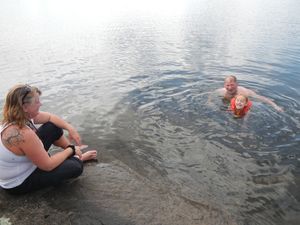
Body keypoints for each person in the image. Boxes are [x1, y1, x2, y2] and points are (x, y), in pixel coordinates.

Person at [0, 84, 97, 194]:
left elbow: (50, 117)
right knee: (75, 167)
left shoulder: (16, 118)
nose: (41, 104)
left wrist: (70, 128)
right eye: (37, 102)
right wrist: (70, 150)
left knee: (53, 127)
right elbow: (47, 165)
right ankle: (78, 157)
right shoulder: (23, 133)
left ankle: (75, 154)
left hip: (25, 164)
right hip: (19, 183)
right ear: (24, 107)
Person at [215, 75, 283, 112]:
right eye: (227, 85)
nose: (229, 88)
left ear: (237, 84)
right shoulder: (221, 91)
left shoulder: (244, 92)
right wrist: (209, 103)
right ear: (224, 85)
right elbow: (211, 95)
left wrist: (275, 106)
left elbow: (262, 98)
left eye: (232, 85)